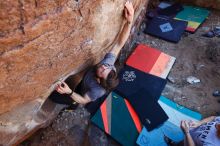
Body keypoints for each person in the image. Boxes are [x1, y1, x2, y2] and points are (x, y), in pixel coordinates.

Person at [51, 1, 134, 106]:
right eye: (107, 67)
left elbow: (83, 100)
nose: (103, 66)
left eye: (102, 71)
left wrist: (69, 92)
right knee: (78, 84)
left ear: (99, 81)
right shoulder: (108, 65)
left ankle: (72, 106)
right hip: (84, 81)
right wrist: (129, 21)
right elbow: (119, 44)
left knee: (59, 98)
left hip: (82, 92)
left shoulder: (97, 91)